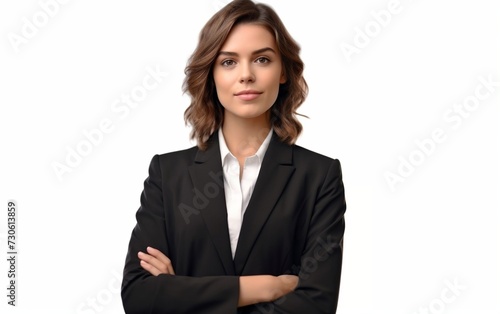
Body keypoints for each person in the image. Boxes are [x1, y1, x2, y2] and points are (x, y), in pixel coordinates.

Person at [121, 0, 346, 313]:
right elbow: (139, 297)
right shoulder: (167, 173)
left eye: (262, 60)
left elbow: (315, 304)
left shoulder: (319, 176)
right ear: (211, 74)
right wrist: (262, 287)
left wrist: (182, 292)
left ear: (283, 72)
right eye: (228, 62)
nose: (246, 75)